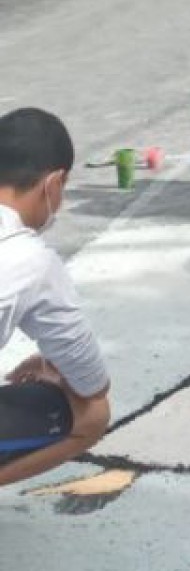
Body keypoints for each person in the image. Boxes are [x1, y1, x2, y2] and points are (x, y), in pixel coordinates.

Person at [0, 108, 111, 488]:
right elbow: (92, 382)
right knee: (92, 413)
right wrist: (55, 368)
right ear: (54, 184)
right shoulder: (30, 257)